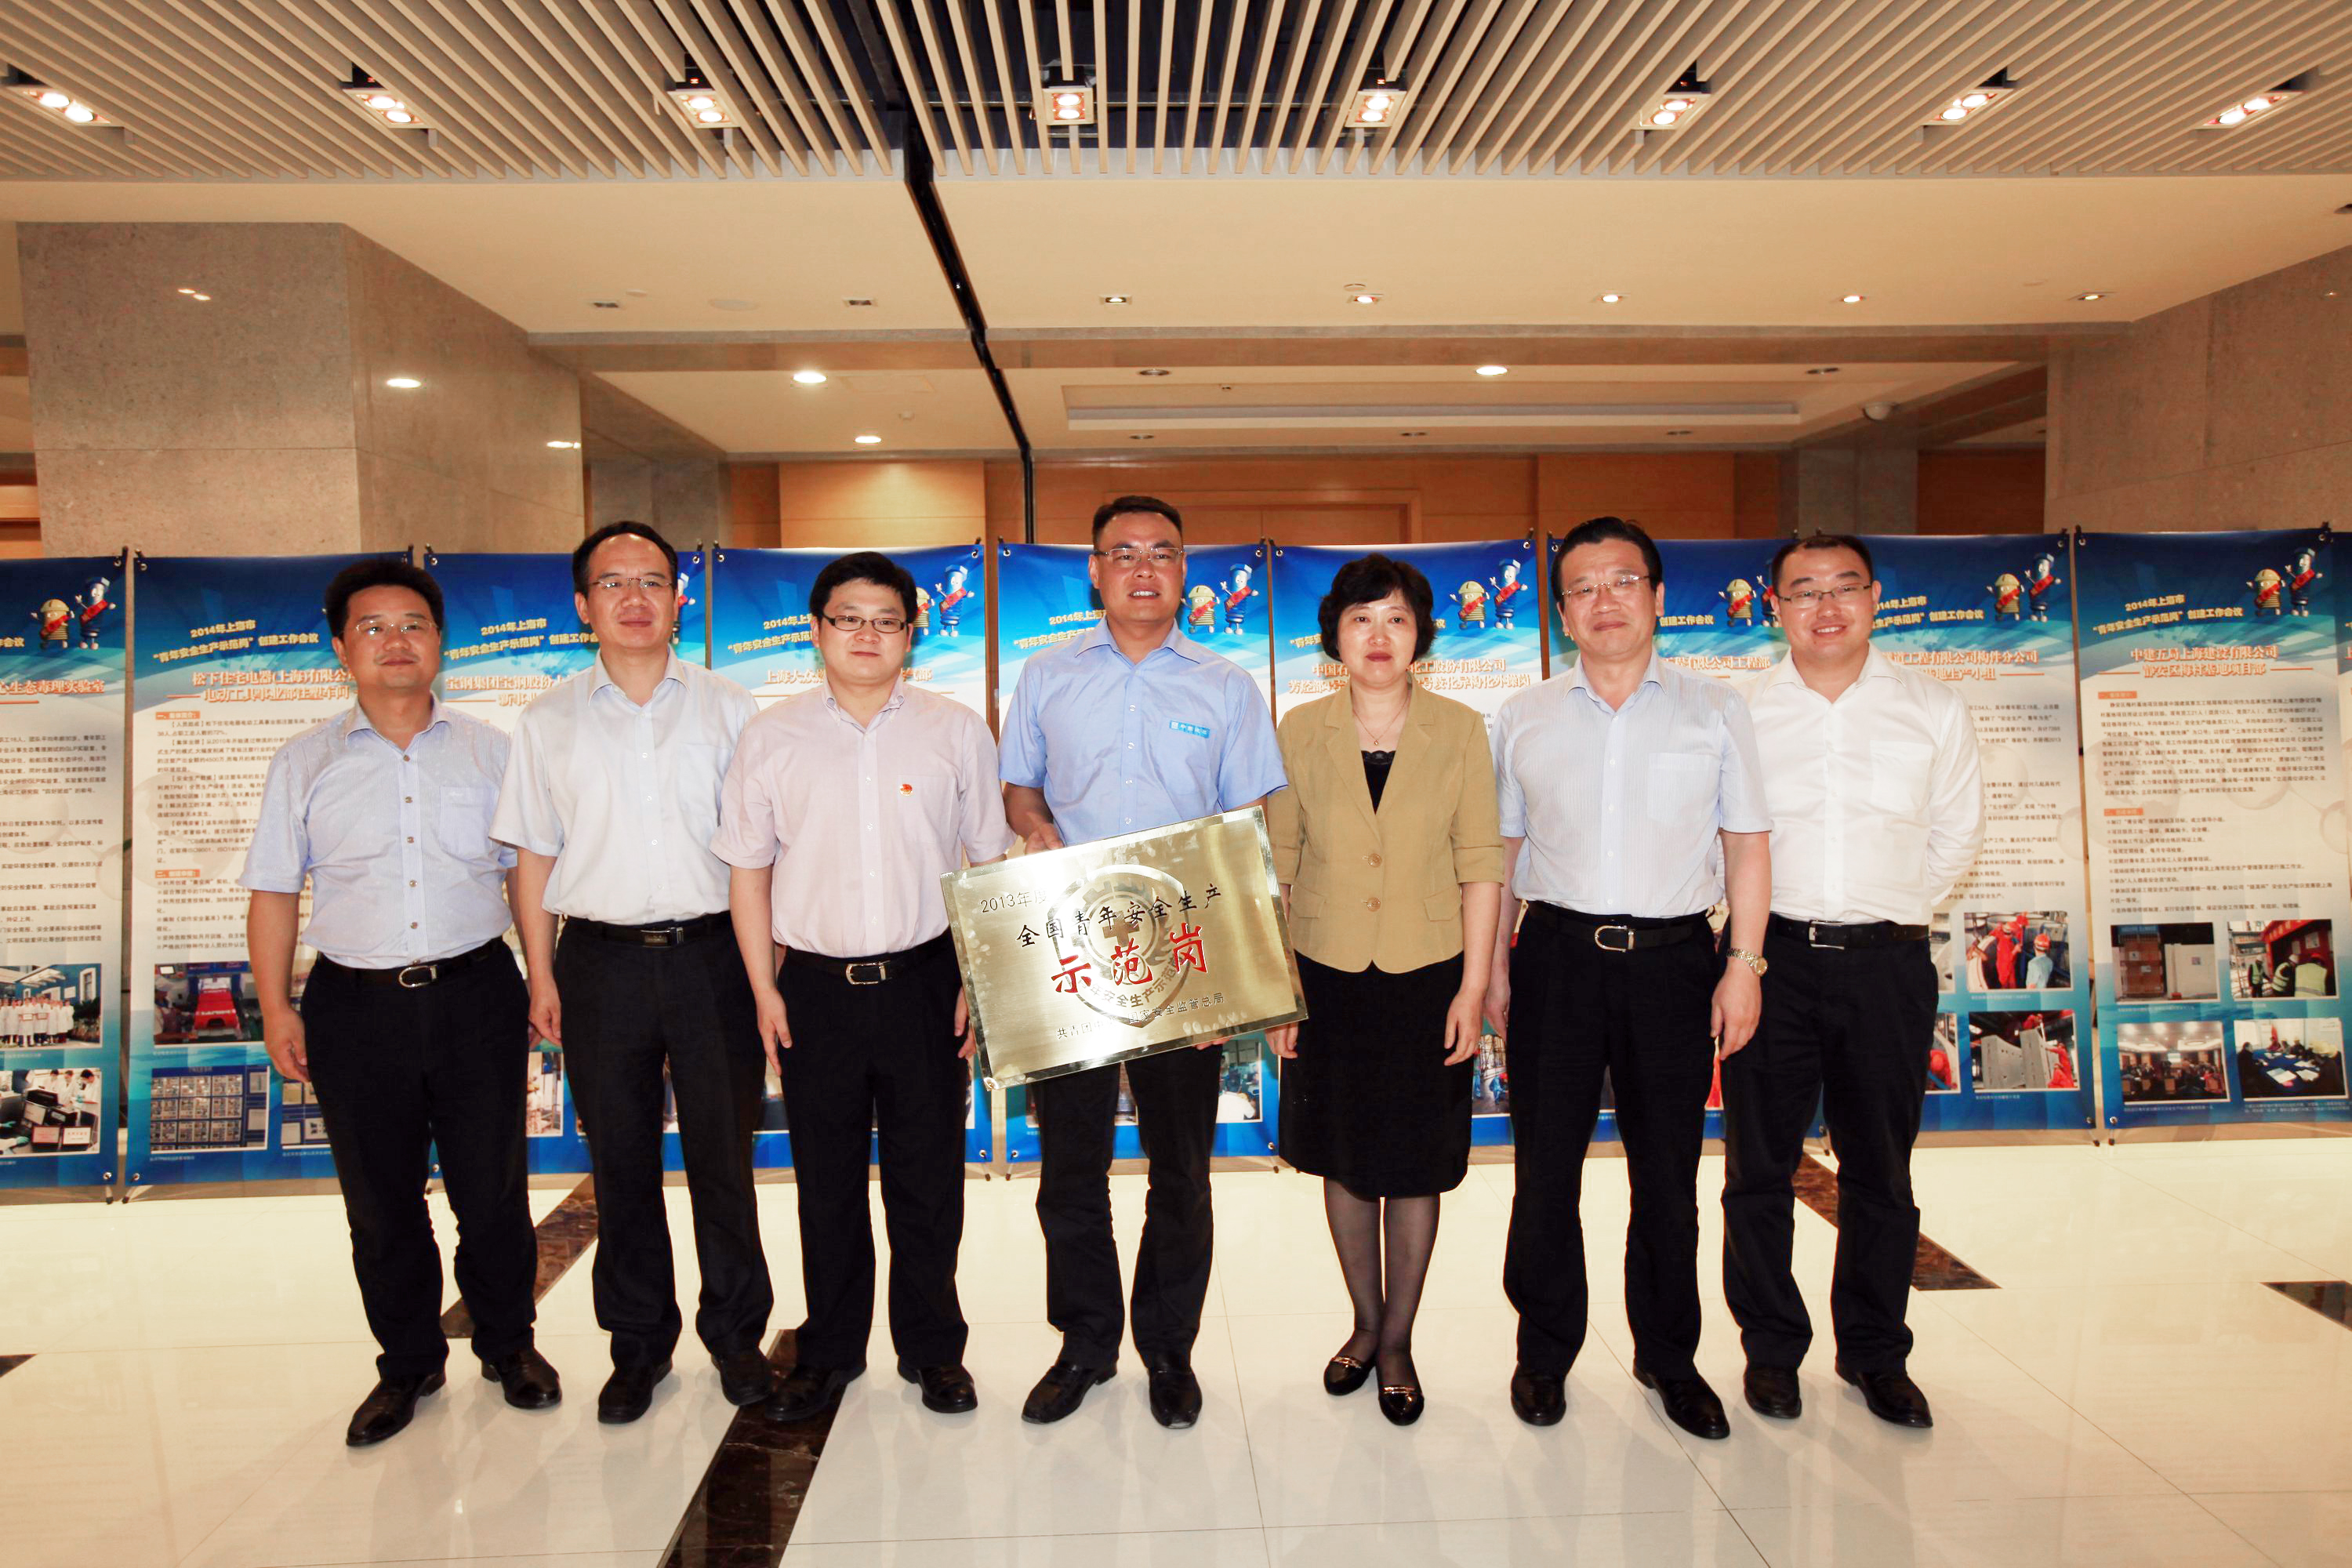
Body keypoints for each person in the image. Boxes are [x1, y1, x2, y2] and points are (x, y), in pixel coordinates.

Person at [243, 558, 557, 1447]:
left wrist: (543, 978)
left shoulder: (493, 752)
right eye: (373, 627)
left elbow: (526, 877)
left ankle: (509, 1344)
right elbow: (274, 891)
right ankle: (408, 1362)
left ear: (440, 642)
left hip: (476, 992)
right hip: (353, 1004)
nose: (395, 641)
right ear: (340, 648)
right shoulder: (304, 762)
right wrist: (277, 1007)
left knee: (491, 1190)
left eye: (413, 624)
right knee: (380, 1202)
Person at [999, 495, 1287, 1429]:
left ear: (1184, 570)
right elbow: (1018, 785)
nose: (1142, 568)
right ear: (1094, 570)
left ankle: (1169, 1346)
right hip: (1073, 950)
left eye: (1162, 552)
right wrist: (1033, 825)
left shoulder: (1225, 686)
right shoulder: (1047, 675)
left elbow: (1249, 829)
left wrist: (1243, 977)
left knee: (1182, 1169)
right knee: (1070, 1168)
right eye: (1122, 553)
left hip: (1185, 952)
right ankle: (1085, 1342)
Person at [1485, 516, 1771, 1442]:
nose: (1604, 600)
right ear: (1562, 611)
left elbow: (1747, 845)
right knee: (1544, 1172)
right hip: (1555, 959)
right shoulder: (1522, 716)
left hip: (1675, 964)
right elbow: (1500, 855)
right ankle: (1544, 1350)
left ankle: (1670, 1356)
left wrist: (1743, 965)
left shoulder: (1715, 709)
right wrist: (1492, 966)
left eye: (1622, 580)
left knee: (1668, 1176)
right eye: (1583, 587)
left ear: (1657, 595)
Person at [713, 552, 1015, 1423]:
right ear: (817, 631)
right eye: (849, 618)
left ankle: (934, 1351)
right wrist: (764, 990)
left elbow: (987, 862)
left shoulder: (956, 730)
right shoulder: (771, 737)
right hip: (813, 990)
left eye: (887, 620)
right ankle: (830, 1351)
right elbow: (748, 873)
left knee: (930, 1180)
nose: (867, 635)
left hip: (926, 981)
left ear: (911, 635)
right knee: (827, 1181)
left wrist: (977, 978)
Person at [492, 521, 775, 1425]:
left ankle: (736, 1336)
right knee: (619, 1163)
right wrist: (541, 972)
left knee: (724, 1160)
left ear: (677, 597)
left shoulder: (731, 707)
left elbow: (763, 849)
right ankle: (638, 1343)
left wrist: (766, 968)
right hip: (599, 962)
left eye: (652, 579)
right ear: (584, 605)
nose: (634, 597)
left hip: (714, 958)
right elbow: (533, 855)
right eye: (613, 582)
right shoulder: (547, 721)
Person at [1724, 532, 1984, 1432]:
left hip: (1887, 963)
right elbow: (1719, 836)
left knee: (1881, 1167)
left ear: (1875, 597)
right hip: (1771, 959)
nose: (1825, 606)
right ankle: (1771, 1348)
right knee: (1759, 1166)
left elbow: (1955, 836)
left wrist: (1883, 907)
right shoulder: (1742, 711)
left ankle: (1875, 1351)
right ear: (1776, 608)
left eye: (1843, 587)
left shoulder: (1932, 706)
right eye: (1803, 591)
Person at [1264, 554, 1503, 1427]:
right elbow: (1277, 866)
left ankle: (1397, 1341)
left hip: (1427, 975)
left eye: (1397, 618)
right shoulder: (1298, 730)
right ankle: (1363, 1326)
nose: (1378, 635)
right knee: (1344, 1155)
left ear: (1421, 636)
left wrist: (1473, 986)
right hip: (1326, 975)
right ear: (1334, 635)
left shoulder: (1461, 729)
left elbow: (1482, 862)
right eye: (1361, 618)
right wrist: (1281, 988)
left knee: (1413, 1161)